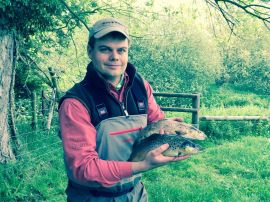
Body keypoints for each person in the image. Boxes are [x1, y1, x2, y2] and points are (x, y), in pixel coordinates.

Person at [58, 17, 189, 202]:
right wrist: (142, 165)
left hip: (136, 192)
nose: (115, 57)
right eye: (105, 49)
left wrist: (167, 126)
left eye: (121, 50)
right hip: (93, 197)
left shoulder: (140, 87)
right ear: (90, 51)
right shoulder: (76, 103)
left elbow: (155, 121)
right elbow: (83, 169)